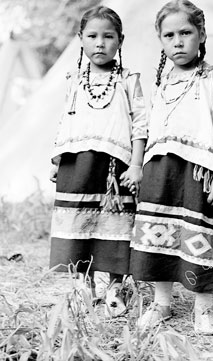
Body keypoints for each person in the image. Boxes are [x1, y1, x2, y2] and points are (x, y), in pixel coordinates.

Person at [130, 0, 213, 335]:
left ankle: (203, 308)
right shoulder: (161, 84)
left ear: (201, 34)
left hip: (199, 173)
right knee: (159, 239)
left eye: (185, 32)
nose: (177, 41)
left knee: (201, 237)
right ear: (160, 40)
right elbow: (149, 131)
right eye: (169, 35)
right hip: (160, 172)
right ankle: (161, 303)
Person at [49, 5, 147, 318]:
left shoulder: (129, 79)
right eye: (92, 36)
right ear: (81, 39)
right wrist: (57, 158)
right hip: (75, 165)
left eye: (108, 36)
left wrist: (136, 164)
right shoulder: (74, 79)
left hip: (113, 169)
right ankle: (84, 285)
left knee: (115, 226)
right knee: (79, 224)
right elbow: (66, 120)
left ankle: (115, 287)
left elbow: (141, 124)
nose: (100, 43)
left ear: (120, 40)